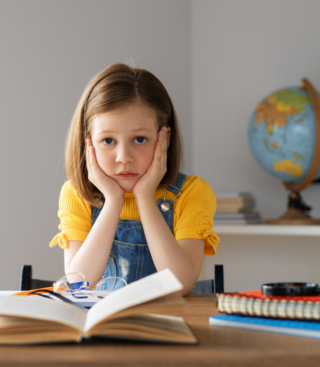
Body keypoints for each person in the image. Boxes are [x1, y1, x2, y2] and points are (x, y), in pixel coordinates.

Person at [50, 63, 219, 294]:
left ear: (164, 139)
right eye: (108, 141)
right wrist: (113, 201)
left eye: (140, 139)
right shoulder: (76, 194)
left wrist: (145, 198)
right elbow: (78, 284)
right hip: (104, 326)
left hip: (168, 325)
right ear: (88, 142)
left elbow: (181, 284)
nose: (124, 158)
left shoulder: (191, 192)